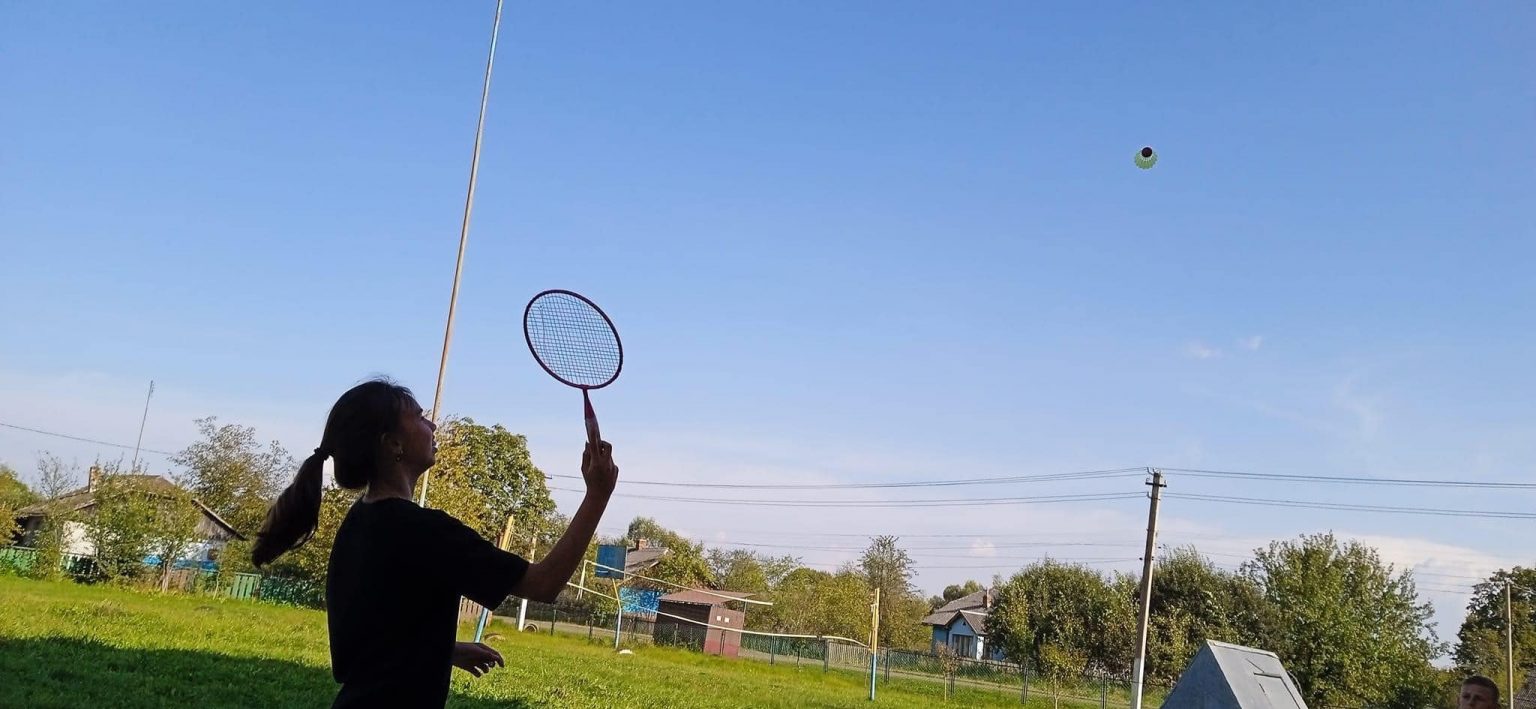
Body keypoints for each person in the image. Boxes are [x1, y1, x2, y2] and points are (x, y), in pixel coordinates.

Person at [250, 378, 617, 708]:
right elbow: (543, 584)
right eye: (420, 417)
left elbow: (372, 638)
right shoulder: (424, 531)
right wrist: (597, 495)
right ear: (393, 444)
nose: (432, 425)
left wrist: (446, 651)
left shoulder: (361, 520)